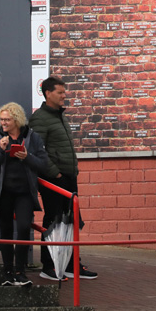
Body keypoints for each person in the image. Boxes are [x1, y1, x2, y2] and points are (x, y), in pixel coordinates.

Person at [30, 77, 97, 281]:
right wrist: (55, 173)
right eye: (60, 92)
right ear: (48, 93)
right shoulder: (40, 118)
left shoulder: (60, 116)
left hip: (68, 177)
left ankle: (70, 264)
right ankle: (49, 265)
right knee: (53, 220)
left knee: (70, 221)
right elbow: (38, 150)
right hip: (53, 179)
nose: (64, 95)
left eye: (64, 92)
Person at [0, 102, 49, 286]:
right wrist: (0, 150)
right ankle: (8, 272)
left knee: (23, 228)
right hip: (3, 193)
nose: (3, 123)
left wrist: (27, 157)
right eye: (1, 119)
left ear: (17, 120)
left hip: (24, 193)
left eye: (7, 120)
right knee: (5, 231)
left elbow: (44, 164)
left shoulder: (32, 137)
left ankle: (20, 271)